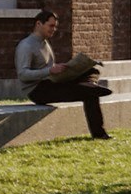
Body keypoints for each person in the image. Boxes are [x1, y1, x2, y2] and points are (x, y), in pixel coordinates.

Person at [15, 11, 113, 139]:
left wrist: (63, 69)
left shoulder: (45, 43)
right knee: (90, 93)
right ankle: (99, 133)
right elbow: (22, 75)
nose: (54, 29)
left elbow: (47, 68)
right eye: (51, 26)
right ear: (38, 24)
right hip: (37, 91)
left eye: (55, 26)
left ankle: (89, 84)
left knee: (92, 70)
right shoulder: (26, 46)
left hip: (51, 82)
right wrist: (50, 71)